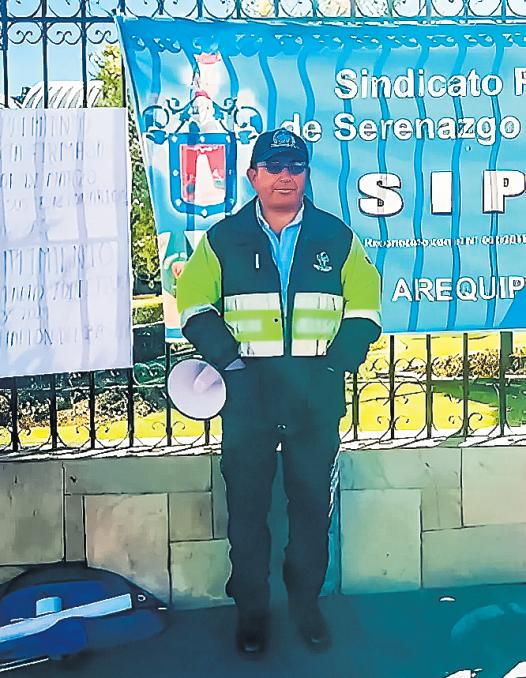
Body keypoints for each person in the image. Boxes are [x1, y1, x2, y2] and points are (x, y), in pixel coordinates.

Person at [176, 128, 381, 657]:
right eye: (273, 167)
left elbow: (365, 309)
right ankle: (252, 612)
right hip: (248, 399)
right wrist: (231, 366)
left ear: (306, 175)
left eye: (295, 167)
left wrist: (333, 369)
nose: (285, 176)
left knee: (311, 511)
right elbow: (193, 304)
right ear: (253, 176)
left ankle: (306, 606)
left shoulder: (336, 237)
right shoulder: (223, 238)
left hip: (315, 398)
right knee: (247, 513)